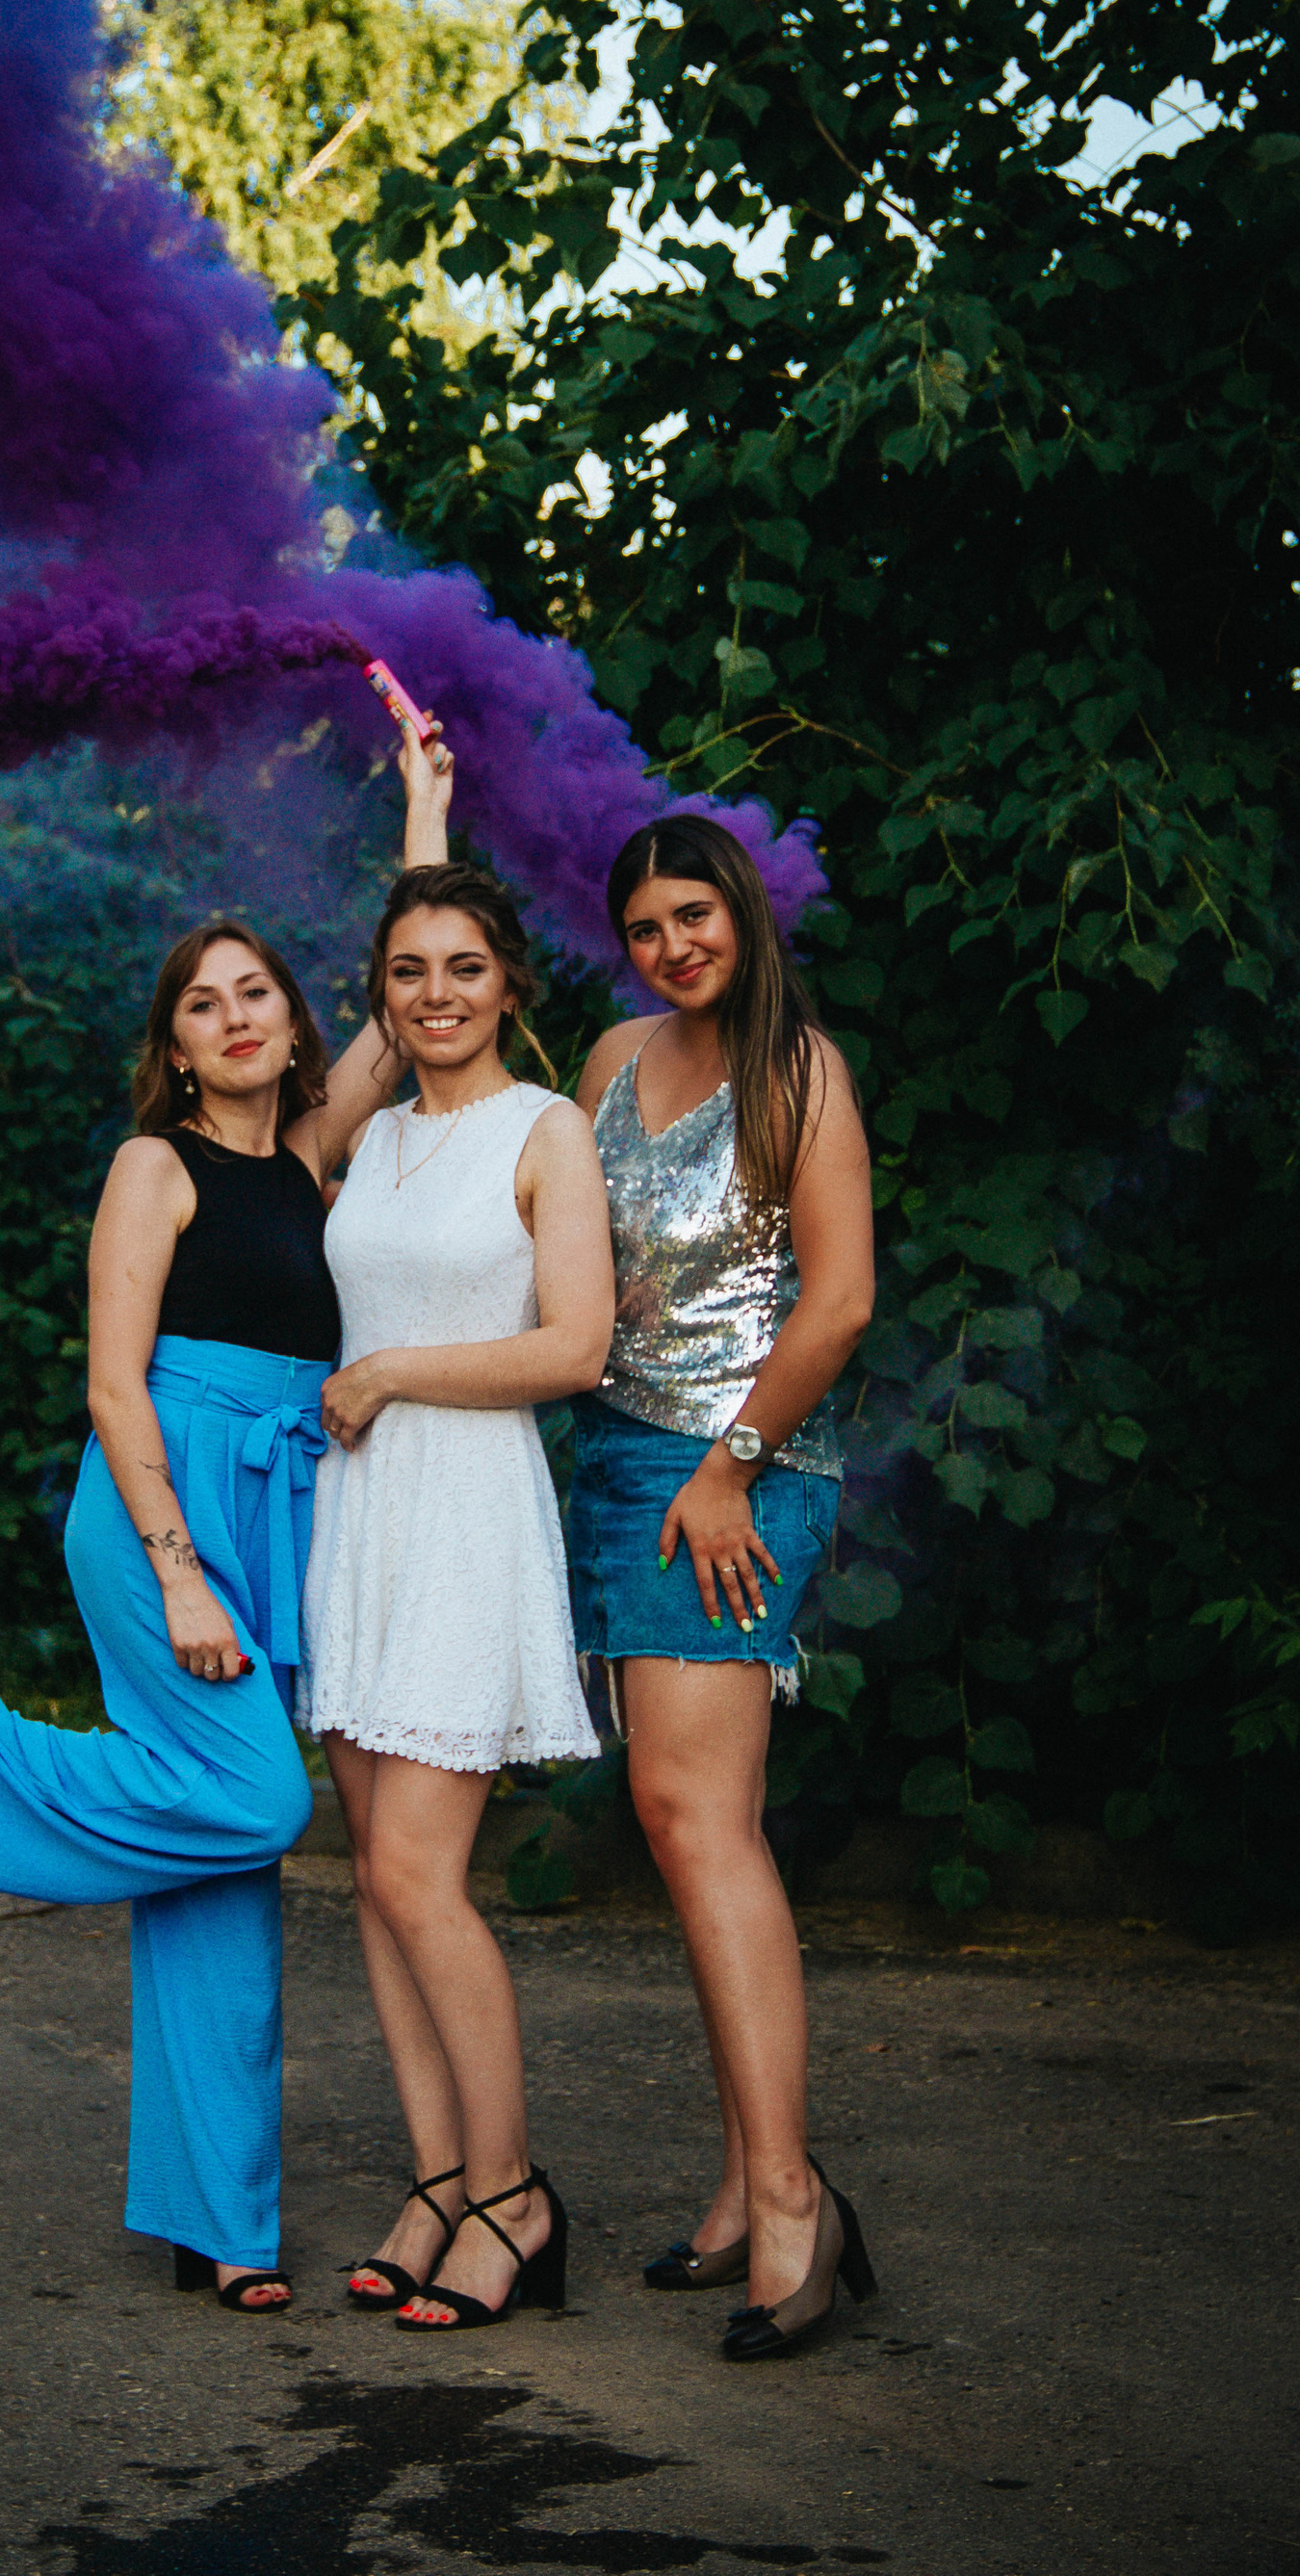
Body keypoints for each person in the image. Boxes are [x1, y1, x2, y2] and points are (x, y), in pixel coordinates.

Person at [0, 725, 455, 2312]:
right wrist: (179, 1571)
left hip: (277, 1507)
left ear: (291, 1023)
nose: (236, 1016)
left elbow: (407, 1008)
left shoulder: (309, 1157)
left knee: (213, 1887)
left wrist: (425, 808)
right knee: (254, 1802)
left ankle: (217, 2223)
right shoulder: (151, 1168)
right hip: (155, 1508)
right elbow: (114, 1387)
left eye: (258, 994)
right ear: (174, 1048)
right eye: (203, 1002)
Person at [568, 811, 878, 2360]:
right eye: (644, 926)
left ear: (742, 912)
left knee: (701, 1819)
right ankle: (755, 2176)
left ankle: (793, 2203)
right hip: (618, 1463)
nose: (671, 946)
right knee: (681, 1826)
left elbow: (842, 1299)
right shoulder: (613, 1058)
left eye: (694, 914)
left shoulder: (800, 1072)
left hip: (742, 1470)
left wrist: (730, 1465)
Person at [299, 860, 615, 2331]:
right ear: (381, 991)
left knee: (423, 1877)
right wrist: (418, 820)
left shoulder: (547, 1132)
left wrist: (390, 1372)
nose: (437, 995)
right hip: (360, 1524)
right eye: (408, 969)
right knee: (376, 1875)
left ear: (511, 983)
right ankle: (436, 2182)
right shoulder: (368, 1137)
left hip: (467, 1515)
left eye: (466, 967)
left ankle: (512, 2196)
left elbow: (575, 1349)